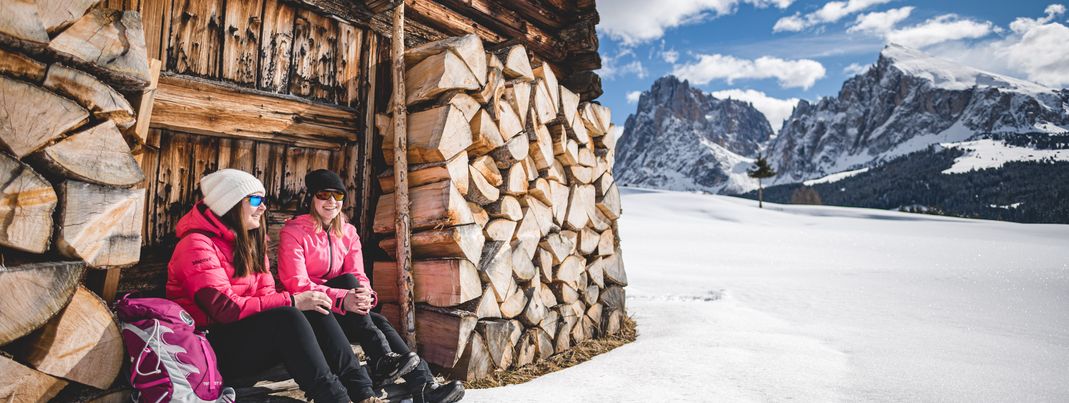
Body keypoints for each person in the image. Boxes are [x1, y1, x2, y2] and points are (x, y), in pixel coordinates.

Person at [166, 168, 384, 403]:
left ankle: (363, 393)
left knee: (313, 306)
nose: (263, 207)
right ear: (230, 203)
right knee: (289, 315)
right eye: (256, 200)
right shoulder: (196, 245)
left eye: (264, 201)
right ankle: (334, 397)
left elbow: (267, 294)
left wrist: (301, 302)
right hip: (211, 347)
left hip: (246, 338)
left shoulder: (250, 243)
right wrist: (293, 300)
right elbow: (224, 308)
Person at [277, 169, 465, 403]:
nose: (331, 202)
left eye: (338, 196)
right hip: (312, 312)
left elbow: (358, 274)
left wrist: (366, 295)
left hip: (340, 307)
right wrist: (342, 297)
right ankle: (380, 363)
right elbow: (297, 283)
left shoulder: (347, 232)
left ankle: (424, 384)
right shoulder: (293, 232)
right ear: (311, 198)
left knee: (377, 317)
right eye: (324, 195)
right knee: (348, 286)